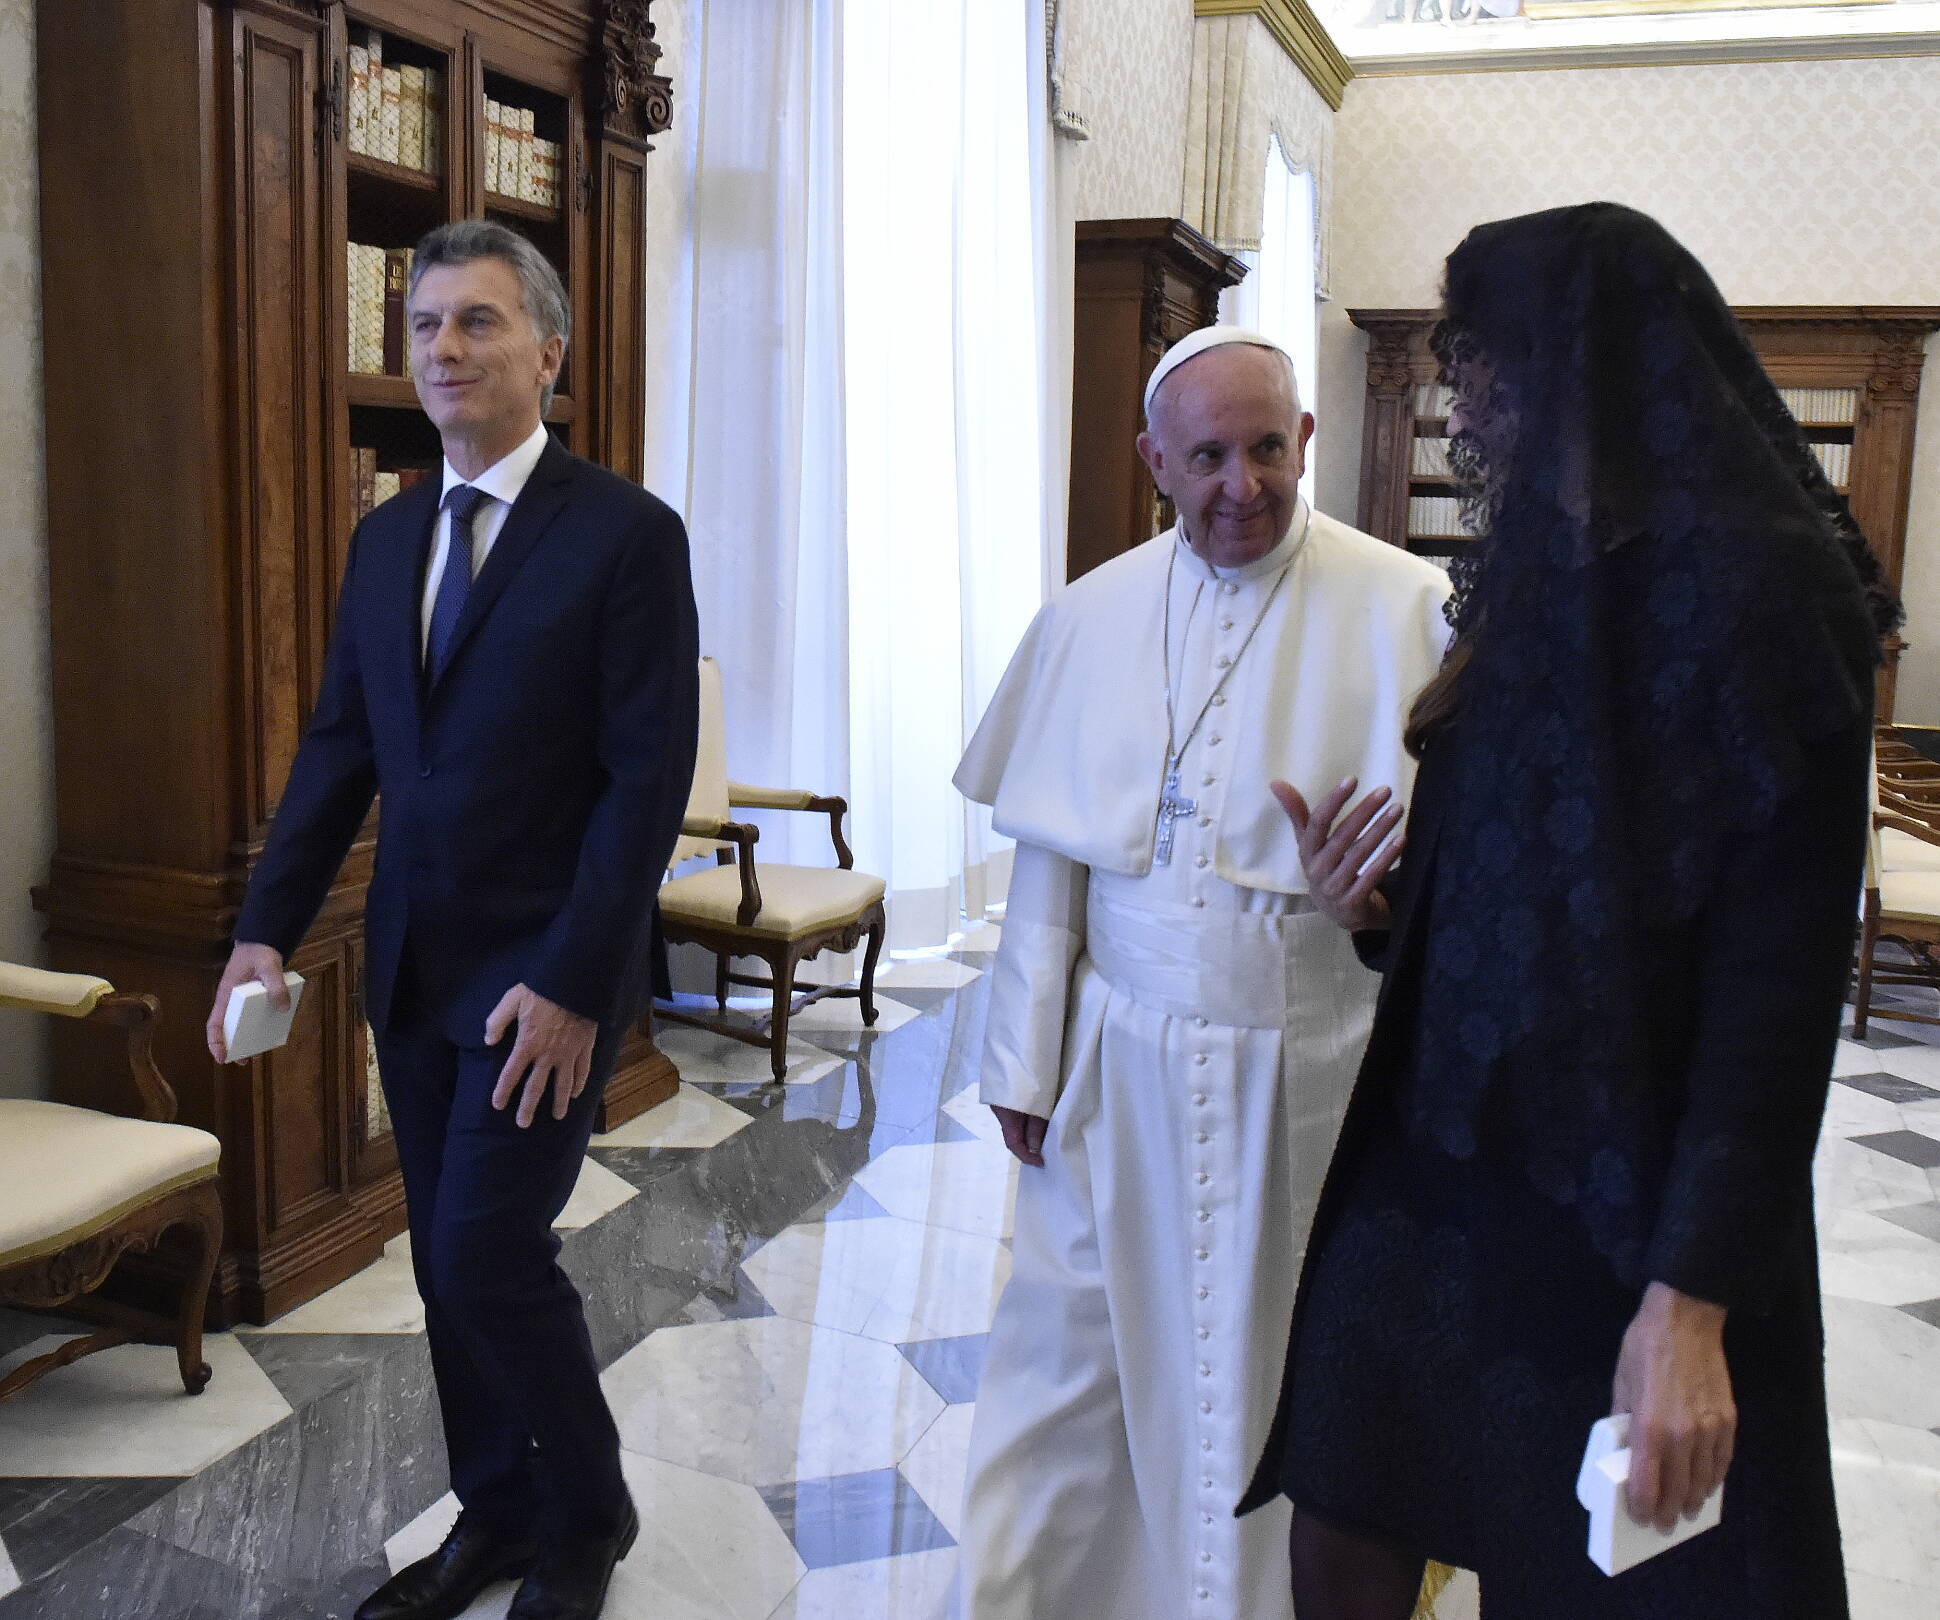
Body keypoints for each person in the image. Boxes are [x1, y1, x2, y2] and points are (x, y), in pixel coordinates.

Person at [1239, 202, 1896, 1619]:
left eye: (1495, 355)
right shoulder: (1534, 568)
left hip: (1633, 1196)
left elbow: (1773, 998)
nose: (1471, 391)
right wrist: (1378, 905)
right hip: (1443, 1159)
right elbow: (1521, 887)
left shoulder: (1775, 593)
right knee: (1341, 1520)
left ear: (1594, 356)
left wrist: (1692, 1303)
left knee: (1595, 1567)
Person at [206, 220, 698, 1620]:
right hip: (413, 970)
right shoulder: (384, 540)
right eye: (424, 326)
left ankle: (588, 1514)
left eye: (476, 322)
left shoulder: (623, 536)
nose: (442, 350)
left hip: (546, 977)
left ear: (548, 350)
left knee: (488, 1248)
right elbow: (339, 749)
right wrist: (266, 927)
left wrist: (575, 984)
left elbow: (640, 785)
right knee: (443, 1258)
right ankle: (495, 1511)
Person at [951, 326, 1452, 1620]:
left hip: (1299, 1068)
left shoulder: (1407, 611)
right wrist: (1023, 1060)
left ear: (1308, 442)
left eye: (1269, 449)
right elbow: (1056, 869)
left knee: (1253, 1364)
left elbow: (1461, 900)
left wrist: (1380, 904)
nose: (1244, 485)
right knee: (1065, 1360)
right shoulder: (1092, 612)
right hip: (1111, 1059)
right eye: (1210, 457)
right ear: (1153, 461)